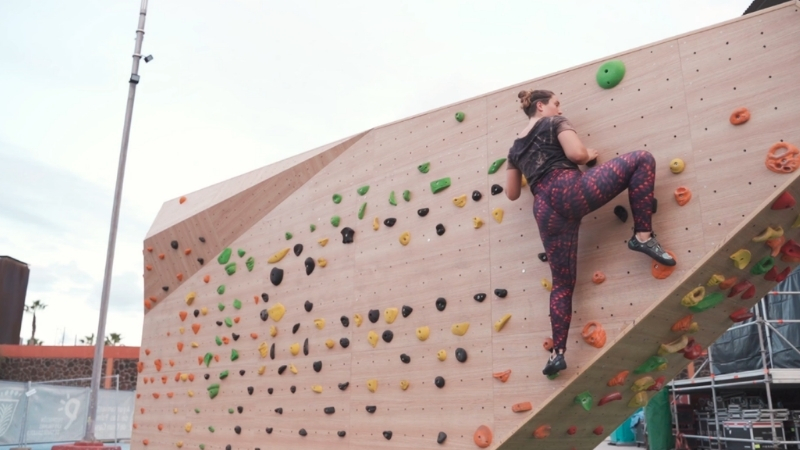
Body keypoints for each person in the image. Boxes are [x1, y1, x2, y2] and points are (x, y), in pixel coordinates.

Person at [505, 89, 676, 376]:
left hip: (545, 211)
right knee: (642, 160)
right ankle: (643, 237)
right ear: (541, 105)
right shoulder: (554, 123)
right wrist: (589, 155)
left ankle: (557, 354)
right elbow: (576, 154)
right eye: (556, 104)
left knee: (562, 283)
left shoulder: (514, 149)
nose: (559, 109)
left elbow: (511, 193)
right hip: (568, 189)